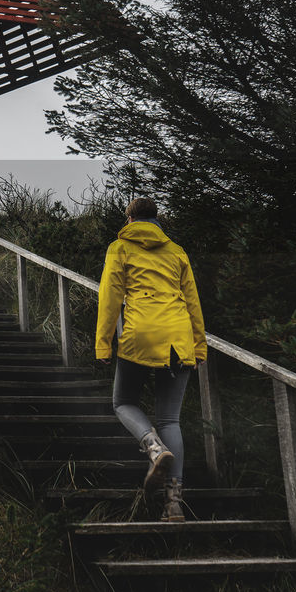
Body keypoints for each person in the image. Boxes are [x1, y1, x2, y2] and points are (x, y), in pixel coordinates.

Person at [95, 197, 207, 522]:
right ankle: (174, 503)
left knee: (122, 402)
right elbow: (193, 302)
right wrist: (198, 348)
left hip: (140, 334)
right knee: (171, 420)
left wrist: (103, 344)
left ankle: (153, 448)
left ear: (129, 219)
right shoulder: (177, 251)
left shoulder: (120, 248)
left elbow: (110, 297)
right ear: (157, 220)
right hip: (178, 337)